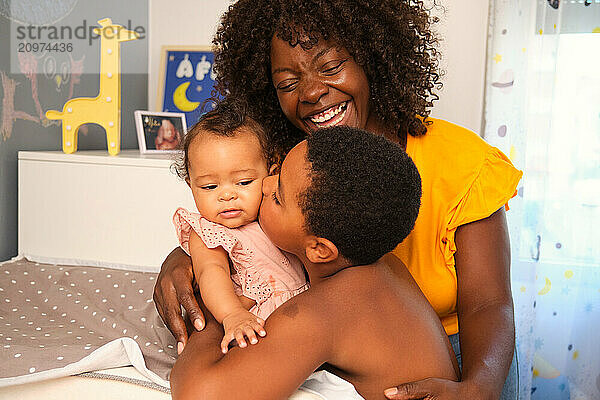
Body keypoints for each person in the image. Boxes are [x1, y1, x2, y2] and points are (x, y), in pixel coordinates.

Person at [154, 1, 523, 399]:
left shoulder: (459, 163)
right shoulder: (300, 160)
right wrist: (196, 254)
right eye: (287, 82)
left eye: (330, 66)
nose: (312, 91)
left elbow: (489, 304)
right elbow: (237, 222)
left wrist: (217, 313)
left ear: (373, 57)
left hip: (469, 363)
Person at [170, 126, 459, 400]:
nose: (266, 184)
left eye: (278, 196)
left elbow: (198, 394)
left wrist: (216, 308)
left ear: (319, 249)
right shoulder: (388, 267)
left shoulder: (320, 313)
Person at [171, 99, 309, 354]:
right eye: (210, 187)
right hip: (254, 325)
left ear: (270, 172)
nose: (227, 195)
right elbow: (210, 273)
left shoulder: (273, 213)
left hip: (304, 314)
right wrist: (233, 314)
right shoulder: (208, 233)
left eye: (243, 182)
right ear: (191, 185)